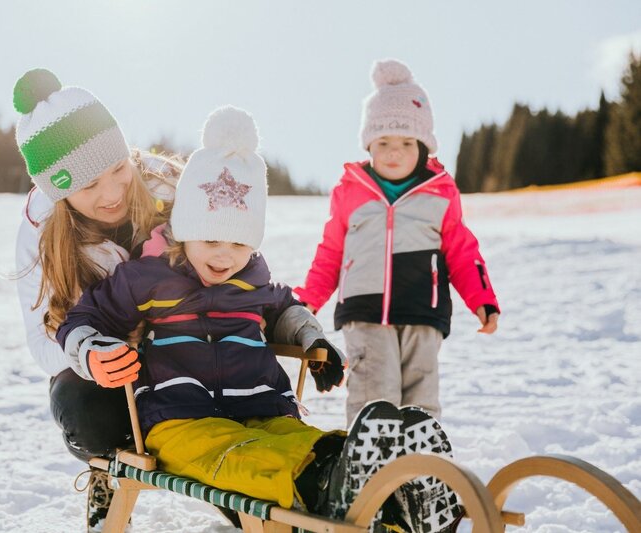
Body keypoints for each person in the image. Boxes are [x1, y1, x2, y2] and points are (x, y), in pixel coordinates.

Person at [57, 106, 460, 532]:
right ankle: (329, 483)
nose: (223, 255)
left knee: (298, 440)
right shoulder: (147, 277)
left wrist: (312, 341)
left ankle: (391, 482)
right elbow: (84, 318)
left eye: (239, 242)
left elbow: (284, 307)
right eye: (210, 239)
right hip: (181, 419)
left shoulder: (254, 277)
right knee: (239, 455)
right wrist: (93, 350)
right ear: (186, 229)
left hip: (264, 406)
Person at [12, 68, 179, 530]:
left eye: (118, 169)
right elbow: (43, 342)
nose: (111, 194)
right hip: (106, 368)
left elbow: (234, 255)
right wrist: (90, 358)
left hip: (187, 348)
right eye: (87, 186)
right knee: (84, 409)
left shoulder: (169, 188)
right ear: (59, 190)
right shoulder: (40, 235)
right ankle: (108, 465)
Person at [295, 59, 501, 427]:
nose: (394, 152)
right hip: (364, 310)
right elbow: (330, 252)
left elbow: (462, 251)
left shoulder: (440, 193)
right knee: (375, 391)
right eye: (384, 142)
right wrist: (309, 299)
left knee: (420, 397)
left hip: (424, 310)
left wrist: (482, 299)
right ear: (369, 144)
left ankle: (418, 471)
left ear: (424, 146)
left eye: (407, 142)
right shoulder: (351, 192)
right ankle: (370, 471)